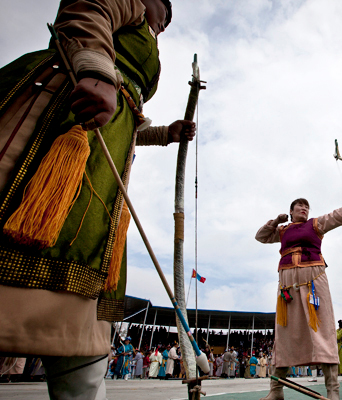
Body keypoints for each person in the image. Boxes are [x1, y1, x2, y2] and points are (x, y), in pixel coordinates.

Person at [0, 0, 207, 398]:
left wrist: (166, 133)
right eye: (161, 13)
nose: (162, 23)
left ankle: (80, 370)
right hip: (65, 109)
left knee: (92, 241)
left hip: (109, 141)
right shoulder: (128, 4)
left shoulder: (144, 52)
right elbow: (87, 8)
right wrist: (96, 72)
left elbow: (130, 120)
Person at [256, 187, 342, 400]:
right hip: (287, 284)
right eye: (299, 206)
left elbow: (341, 214)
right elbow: (260, 236)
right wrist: (276, 220)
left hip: (313, 280)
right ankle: (276, 391)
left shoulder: (316, 223)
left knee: (322, 331)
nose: (304, 208)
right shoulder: (283, 230)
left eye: (307, 206)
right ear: (291, 211)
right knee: (284, 333)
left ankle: (333, 393)